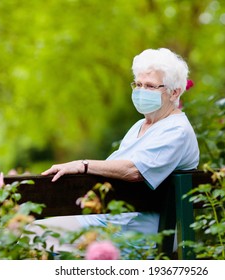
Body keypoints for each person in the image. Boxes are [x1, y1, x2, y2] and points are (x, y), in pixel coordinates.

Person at [32, 47, 200, 252]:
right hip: (113, 220)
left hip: (141, 233)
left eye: (150, 86)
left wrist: (81, 165)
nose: (140, 91)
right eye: (137, 84)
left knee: (37, 237)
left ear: (175, 92)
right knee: (33, 232)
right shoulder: (140, 126)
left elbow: (135, 170)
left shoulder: (177, 130)